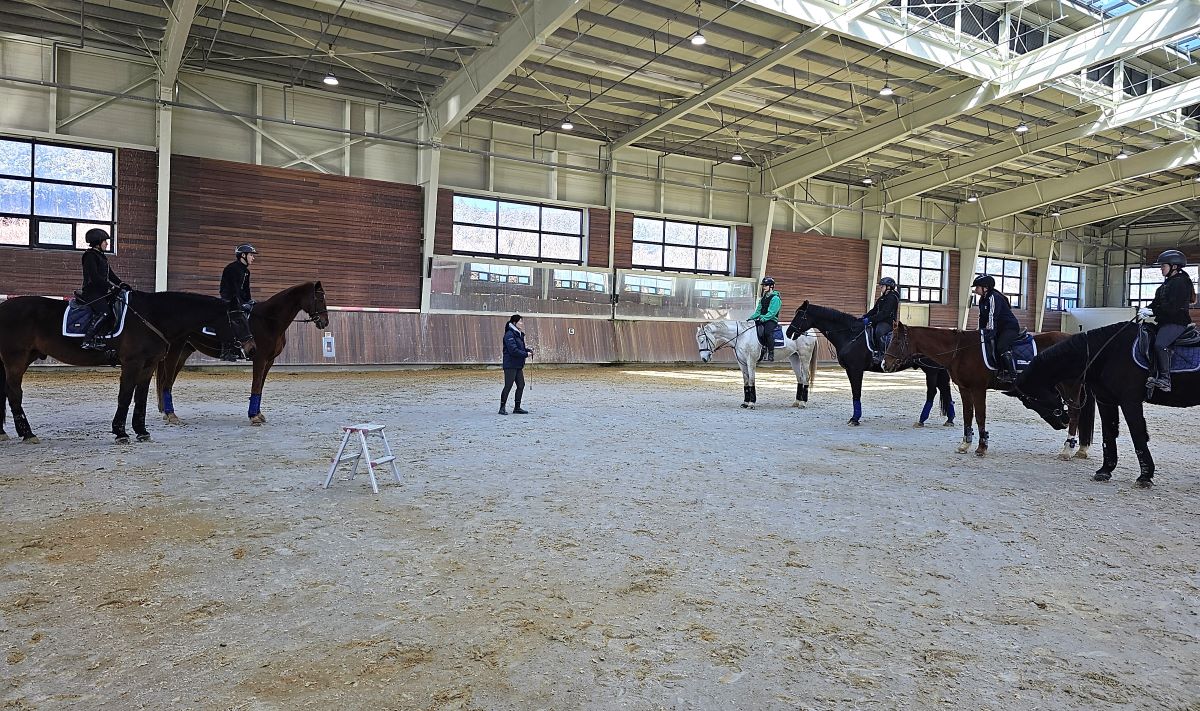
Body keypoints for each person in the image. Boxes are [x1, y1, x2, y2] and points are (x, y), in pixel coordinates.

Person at [1140, 249, 1196, 393]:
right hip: (1164, 322)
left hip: (1177, 322)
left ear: (1174, 267)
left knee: (1160, 344)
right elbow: (1156, 303)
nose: (1161, 269)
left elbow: (1173, 308)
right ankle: (1152, 373)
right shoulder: (1165, 285)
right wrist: (1146, 309)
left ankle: (1165, 379)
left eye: (1163, 266)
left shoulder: (1181, 283)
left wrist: (1153, 311)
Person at [80, 228, 129, 351]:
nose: (107, 244)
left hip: (101, 291)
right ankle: (87, 340)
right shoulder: (90, 256)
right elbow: (95, 277)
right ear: (97, 242)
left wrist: (121, 284)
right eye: (105, 241)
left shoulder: (101, 257)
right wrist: (111, 287)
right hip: (91, 292)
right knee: (104, 312)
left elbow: (110, 275)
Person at [972, 273, 1021, 383]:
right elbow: (982, 317)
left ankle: (1011, 374)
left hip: (1009, 327)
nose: (975, 290)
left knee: (1001, 346)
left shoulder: (994, 297)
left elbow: (992, 315)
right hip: (999, 328)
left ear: (985, 287)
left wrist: (990, 331)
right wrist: (980, 331)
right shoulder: (982, 299)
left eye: (977, 287)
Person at [218, 244, 257, 361]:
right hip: (228, 299)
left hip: (239, 300)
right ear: (243, 255)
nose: (253, 258)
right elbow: (234, 289)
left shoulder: (246, 272)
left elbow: (246, 289)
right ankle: (226, 351)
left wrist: (249, 301)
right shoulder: (231, 268)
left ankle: (248, 349)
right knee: (230, 319)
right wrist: (240, 303)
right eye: (251, 255)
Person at [500, 314, 533, 415]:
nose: (522, 324)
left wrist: (528, 350)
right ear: (514, 323)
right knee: (508, 386)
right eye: (520, 322)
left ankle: (517, 407)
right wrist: (525, 354)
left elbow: (520, 348)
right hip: (510, 364)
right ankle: (502, 407)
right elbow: (513, 350)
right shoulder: (509, 334)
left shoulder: (518, 334)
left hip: (518, 364)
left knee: (521, 385)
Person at [863, 276, 900, 365]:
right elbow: (874, 310)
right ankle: (872, 351)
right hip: (879, 320)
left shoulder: (892, 298)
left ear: (888, 287)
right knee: (868, 329)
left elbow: (885, 314)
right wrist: (864, 317)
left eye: (882, 286)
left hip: (888, 322)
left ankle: (882, 353)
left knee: (879, 331)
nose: (881, 288)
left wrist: (871, 319)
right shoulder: (881, 298)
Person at [747, 277, 781, 362]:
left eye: (766, 285)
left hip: (771, 320)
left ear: (772, 286)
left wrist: (763, 318)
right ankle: (760, 350)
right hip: (762, 319)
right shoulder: (763, 298)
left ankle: (771, 353)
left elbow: (772, 312)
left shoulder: (775, 298)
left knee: (767, 332)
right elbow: (758, 311)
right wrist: (751, 318)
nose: (764, 287)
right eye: (763, 285)